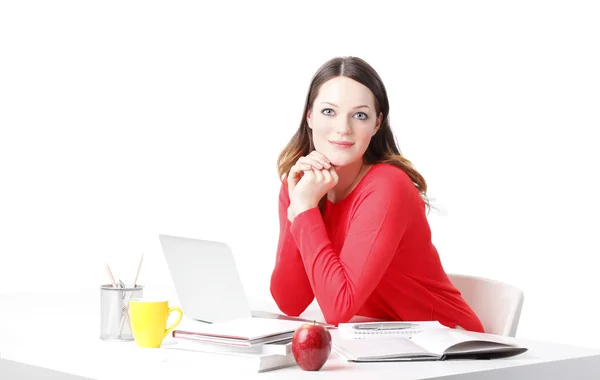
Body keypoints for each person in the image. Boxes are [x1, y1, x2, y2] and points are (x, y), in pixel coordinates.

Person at [269, 56, 484, 332]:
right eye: (328, 112)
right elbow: (290, 301)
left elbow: (338, 309)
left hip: (447, 347)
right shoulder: (300, 187)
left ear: (377, 123)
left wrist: (306, 212)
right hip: (377, 346)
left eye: (359, 115)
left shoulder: (387, 185)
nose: (343, 128)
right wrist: (298, 207)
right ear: (308, 116)